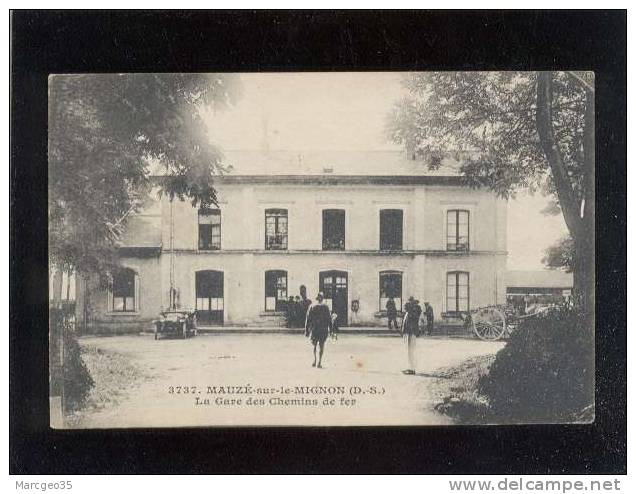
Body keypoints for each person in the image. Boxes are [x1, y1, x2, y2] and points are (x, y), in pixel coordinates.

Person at [305, 292, 332, 368]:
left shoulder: (312, 306)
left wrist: (306, 330)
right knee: (321, 345)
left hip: (314, 329)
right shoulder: (326, 307)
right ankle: (319, 362)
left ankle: (314, 360)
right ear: (322, 298)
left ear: (317, 299)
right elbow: (329, 319)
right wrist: (331, 329)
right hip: (323, 329)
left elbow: (308, 319)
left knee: (314, 345)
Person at [401, 296, 422, 375]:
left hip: (411, 333)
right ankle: (410, 367)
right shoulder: (408, 313)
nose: (405, 307)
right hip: (408, 333)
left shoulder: (412, 313)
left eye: (409, 302)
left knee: (411, 351)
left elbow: (412, 322)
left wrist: (412, 306)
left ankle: (412, 369)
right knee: (409, 351)